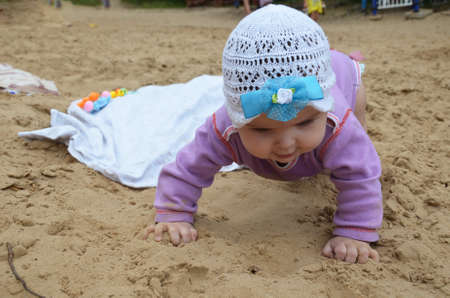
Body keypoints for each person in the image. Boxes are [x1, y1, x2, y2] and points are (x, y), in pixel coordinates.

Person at [145, 4, 382, 264]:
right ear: (238, 121)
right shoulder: (226, 128)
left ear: (322, 111)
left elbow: (361, 173)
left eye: (304, 124)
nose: (286, 143)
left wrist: (353, 232)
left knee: (356, 145)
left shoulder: (336, 123)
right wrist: (174, 213)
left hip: (344, 75)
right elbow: (188, 167)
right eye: (262, 129)